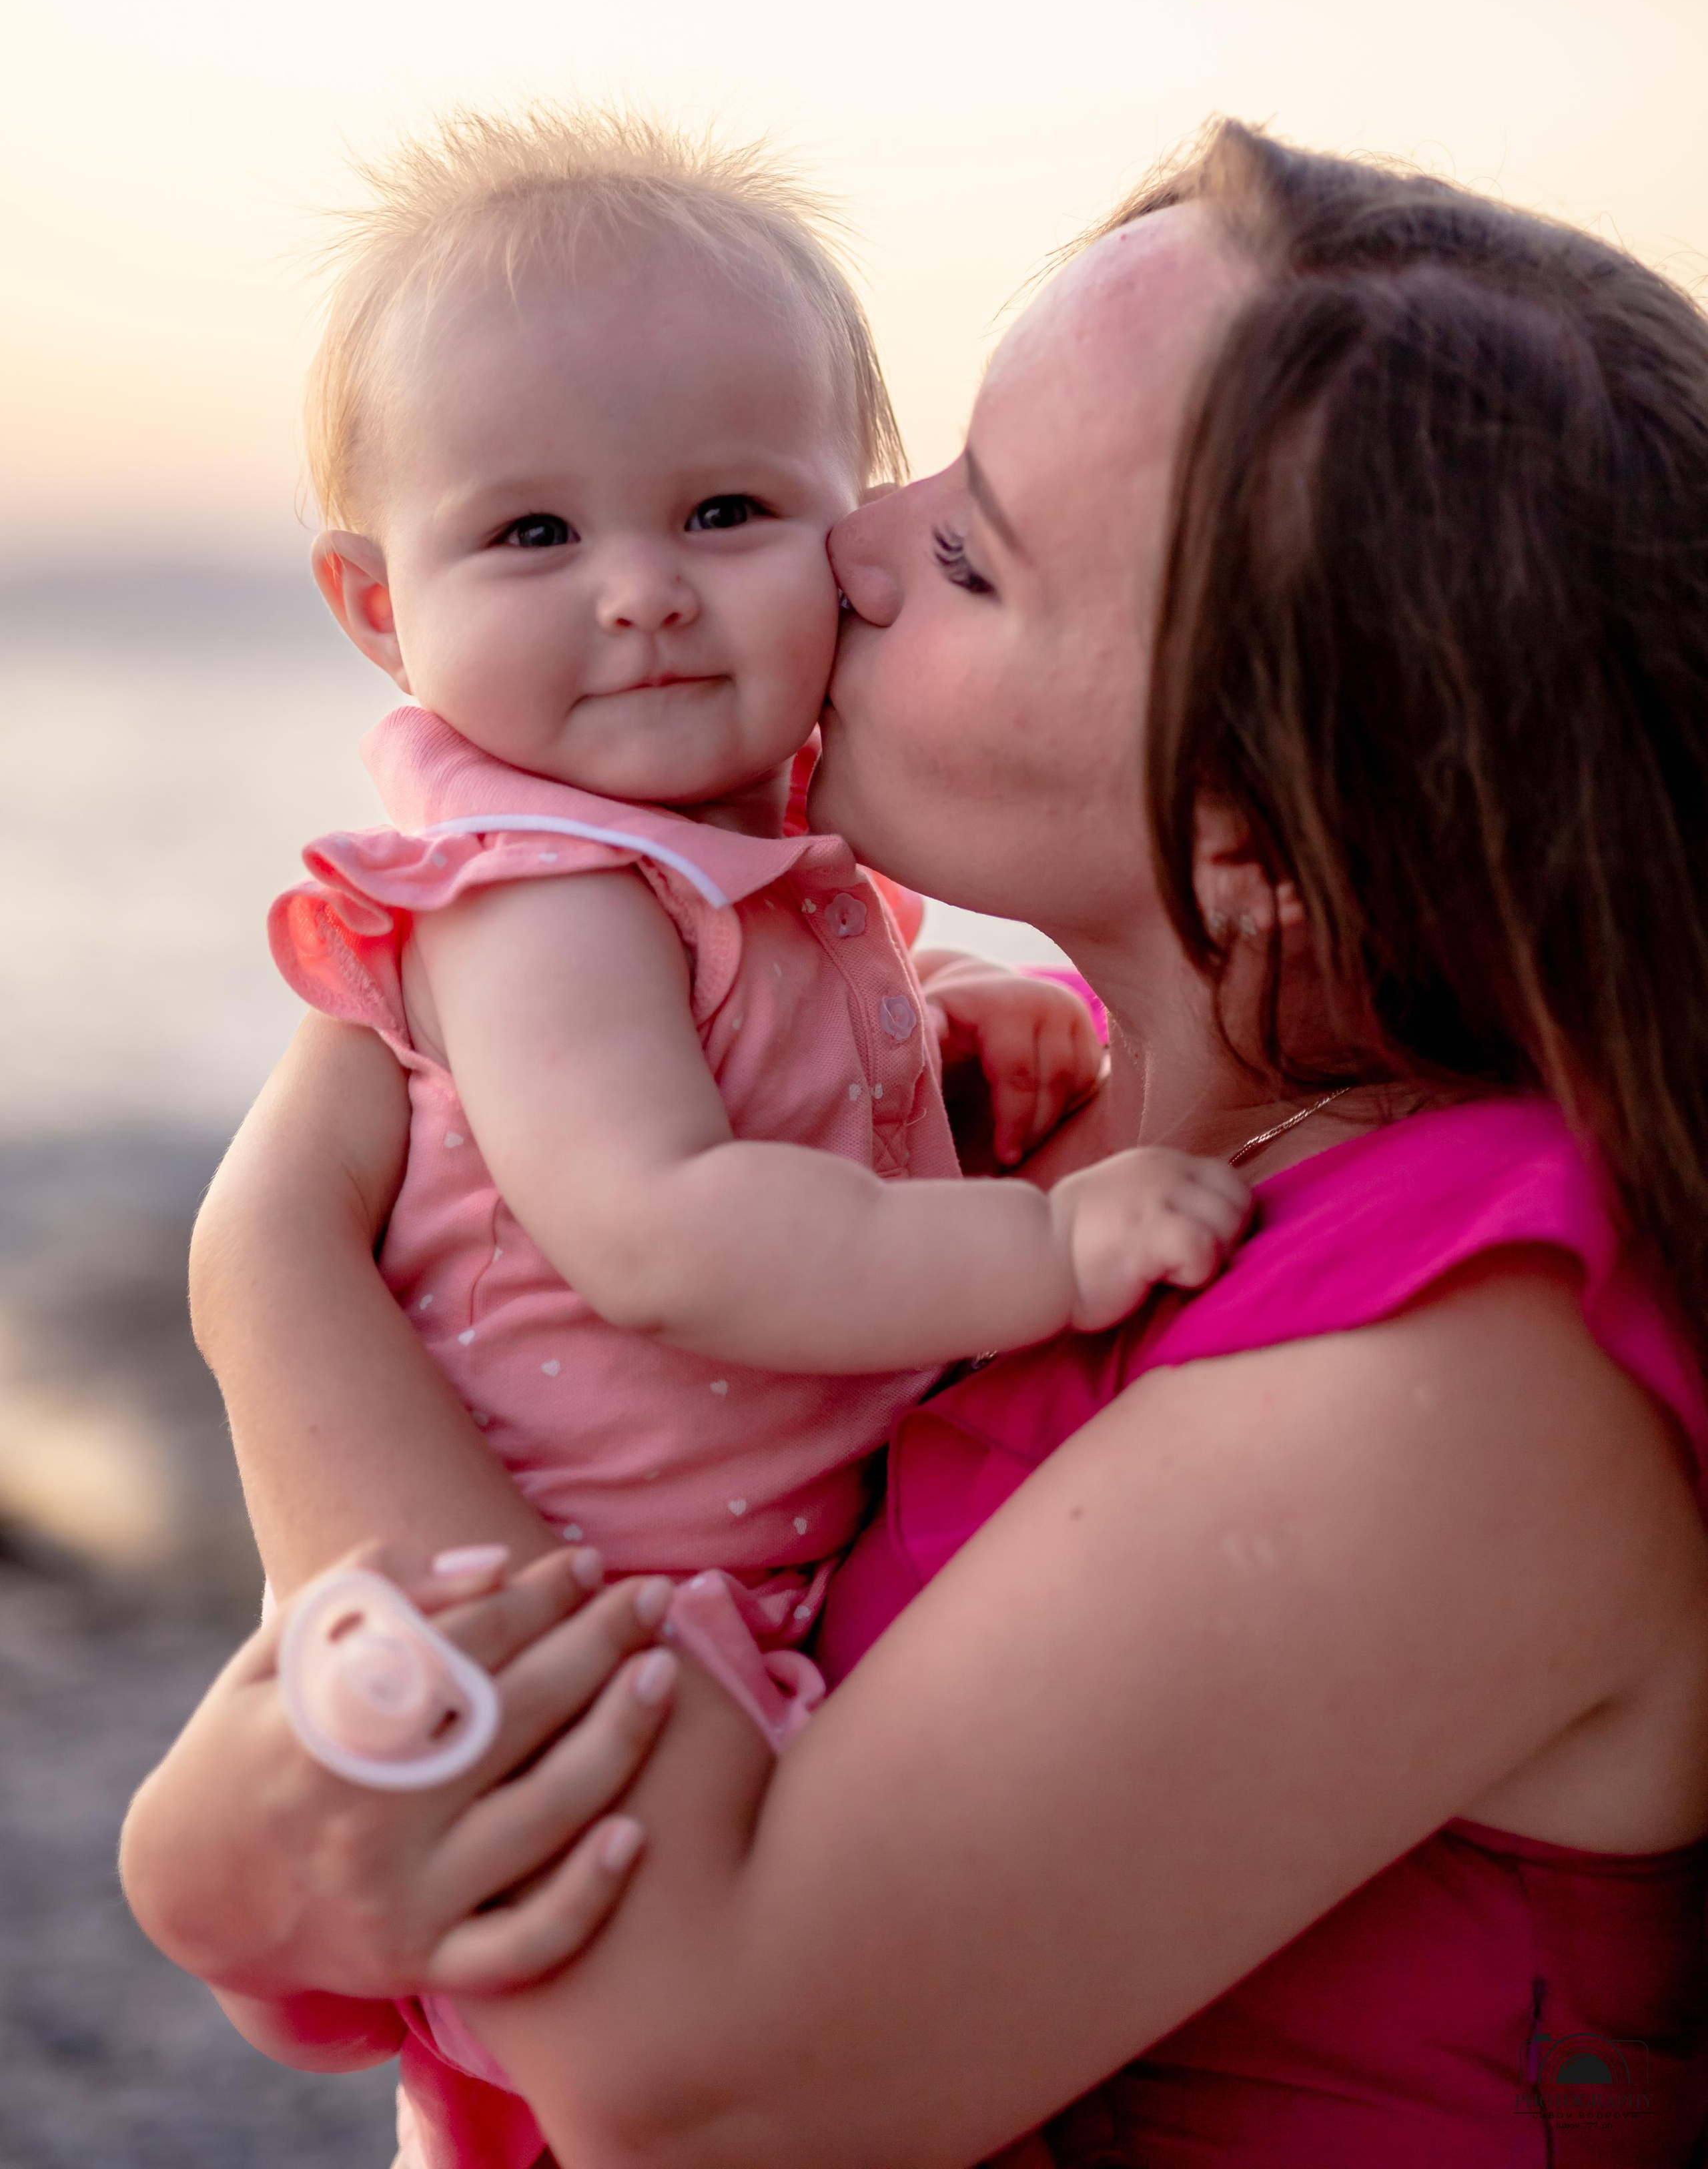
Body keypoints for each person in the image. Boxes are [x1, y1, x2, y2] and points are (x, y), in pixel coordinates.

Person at [124, 121, 1708, 2168]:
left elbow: (691, 2079)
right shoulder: (1025, 1151)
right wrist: (231, 1864)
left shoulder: (1474, 1353)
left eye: (974, 549)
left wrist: (271, 1279)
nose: (854, 537)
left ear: (1254, 823)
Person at [190, 106, 1249, 2152]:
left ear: (842, 531)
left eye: (726, 511)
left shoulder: (705, 857)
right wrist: (1047, 1247)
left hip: (719, 1603)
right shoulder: (538, 892)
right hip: (616, 1628)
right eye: (533, 537)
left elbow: (763, 1083)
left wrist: (945, 1027)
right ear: (373, 607)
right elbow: (666, 1225)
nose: (644, 598)